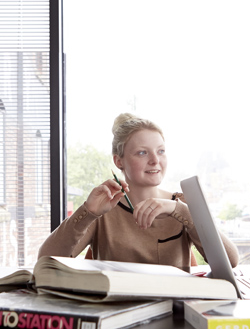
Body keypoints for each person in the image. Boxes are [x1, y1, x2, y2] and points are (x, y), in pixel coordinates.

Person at [38, 113, 239, 271]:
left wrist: (181, 211)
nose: (155, 160)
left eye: (160, 151)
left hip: (173, 310)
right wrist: (88, 212)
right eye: (142, 152)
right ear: (119, 161)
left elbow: (231, 260)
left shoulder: (182, 204)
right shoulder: (103, 210)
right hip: (116, 312)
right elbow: (46, 259)